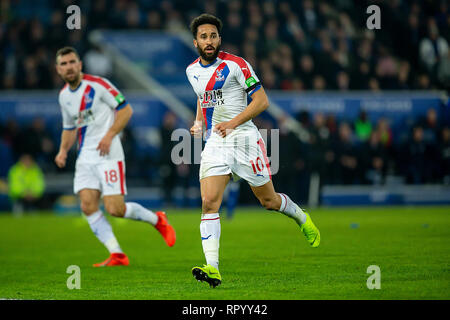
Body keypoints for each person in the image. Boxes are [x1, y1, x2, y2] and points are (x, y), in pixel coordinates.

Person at [185, 14, 320, 288]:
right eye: (203, 37)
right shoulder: (191, 71)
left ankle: (300, 216)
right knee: (209, 202)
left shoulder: (237, 65)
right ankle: (213, 267)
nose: (208, 41)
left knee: (268, 201)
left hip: (245, 139)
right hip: (216, 143)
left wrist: (233, 123)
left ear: (219, 39)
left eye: (213, 36)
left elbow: (262, 101)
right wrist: (199, 121)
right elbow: (203, 97)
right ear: (196, 42)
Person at [54, 46, 176, 267]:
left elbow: (126, 109)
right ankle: (117, 254)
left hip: (108, 152)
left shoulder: (98, 85)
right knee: (88, 206)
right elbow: (69, 127)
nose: (69, 67)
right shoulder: (64, 97)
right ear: (58, 69)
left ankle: (157, 219)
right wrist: (63, 151)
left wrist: (110, 135)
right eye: (64, 64)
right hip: (85, 157)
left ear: (80, 64)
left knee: (115, 209)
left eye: (72, 62)